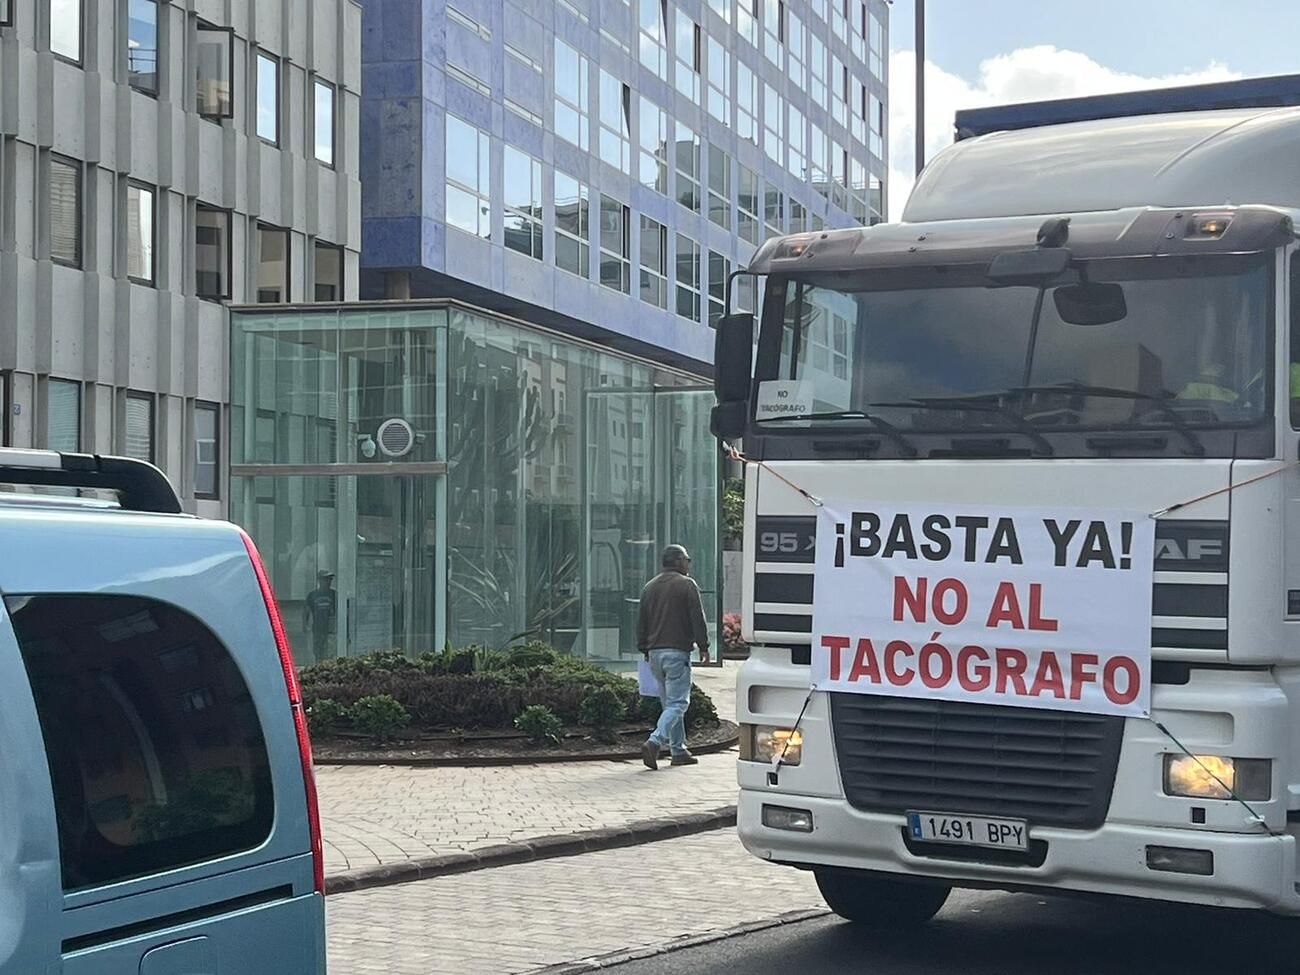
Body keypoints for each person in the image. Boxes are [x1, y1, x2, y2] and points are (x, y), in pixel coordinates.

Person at [638, 544, 711, 770]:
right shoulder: (687, 585)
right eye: (687, 559)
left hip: (655, 654)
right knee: (679, 703)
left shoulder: (649, 587)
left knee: (669, 704)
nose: (688, 564)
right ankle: (655, 741)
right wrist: (704, 646)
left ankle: (678, 750)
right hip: (676, 652)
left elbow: (642, 622)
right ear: (679, 561)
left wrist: (644, 649)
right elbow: (696, 617)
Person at [304, 570, 337, 662]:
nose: (328, 582)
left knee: (330, 652)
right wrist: (305, 625)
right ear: (320, 580)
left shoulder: (334, 594)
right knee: (318, 652)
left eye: (330, 579)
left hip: (330, 630)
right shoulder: (312, 595)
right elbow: (306, 611)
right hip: (318, 628)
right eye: (326, 579)